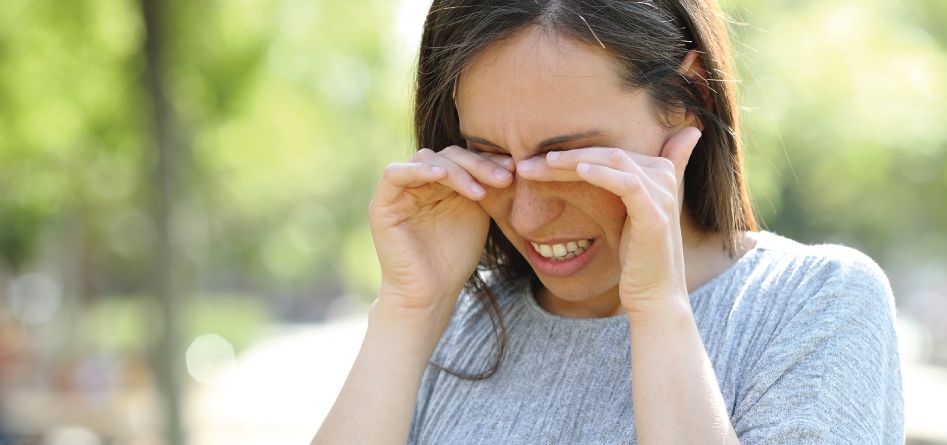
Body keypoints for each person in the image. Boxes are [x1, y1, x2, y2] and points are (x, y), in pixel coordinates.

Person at [312, 0, 904, 443]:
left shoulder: (817, 304)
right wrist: (409, 310)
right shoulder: (455, 324)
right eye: (491, 156)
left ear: (685, 93)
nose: (528, 213)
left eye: (568, 158)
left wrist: (658, 309)